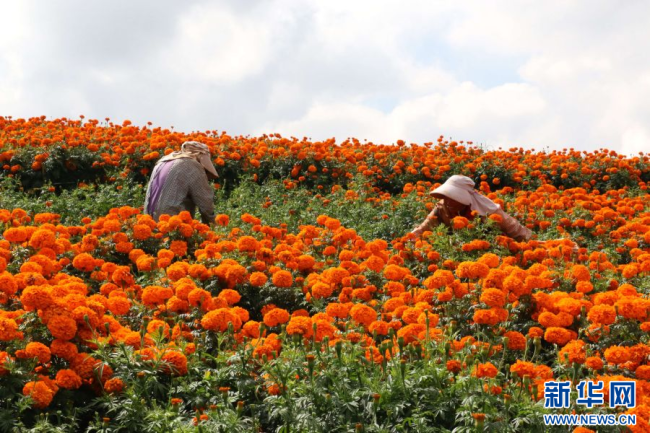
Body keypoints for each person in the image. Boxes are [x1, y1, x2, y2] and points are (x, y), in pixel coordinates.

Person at [410, 175, 532, 241]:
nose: (447, 201)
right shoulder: (441, 207)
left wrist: (528, 244)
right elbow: (422, 229)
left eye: (452, 197)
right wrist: (407, 240)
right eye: (445, 197)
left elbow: (516, 230)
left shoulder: (488, 210)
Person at [144, 141, 218, 224]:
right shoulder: (191, 164)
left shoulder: (163, 161)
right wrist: (214, 224)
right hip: (172, 224)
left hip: (148, 221)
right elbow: (205, 201)